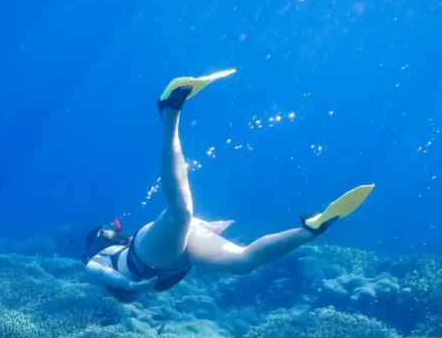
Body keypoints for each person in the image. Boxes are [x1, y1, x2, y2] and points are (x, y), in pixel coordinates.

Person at [82, 70, 373, 302]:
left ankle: (169, 111)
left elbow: (93, 272)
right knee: (243, 262)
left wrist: (135, 286)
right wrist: (206, 228)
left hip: (148, 260)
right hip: (176, 255)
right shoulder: (113, 253)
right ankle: (310, 229)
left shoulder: (101, 257)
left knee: (181, 212)